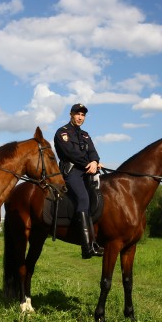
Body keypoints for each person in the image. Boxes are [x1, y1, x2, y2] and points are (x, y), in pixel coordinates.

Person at [54, 103, 104, 259]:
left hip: (87, 171)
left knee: (100, 195)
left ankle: (95, 242)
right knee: (83, 198)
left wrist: (95, 161)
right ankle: (86, 247)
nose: (80, 117)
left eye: (83, 115)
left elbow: (92, 151)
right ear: (71, 114)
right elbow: (70, 153)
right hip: (71, 172)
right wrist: (88, 163)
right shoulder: (62, 132)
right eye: (78, 114)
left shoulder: (85, 135)